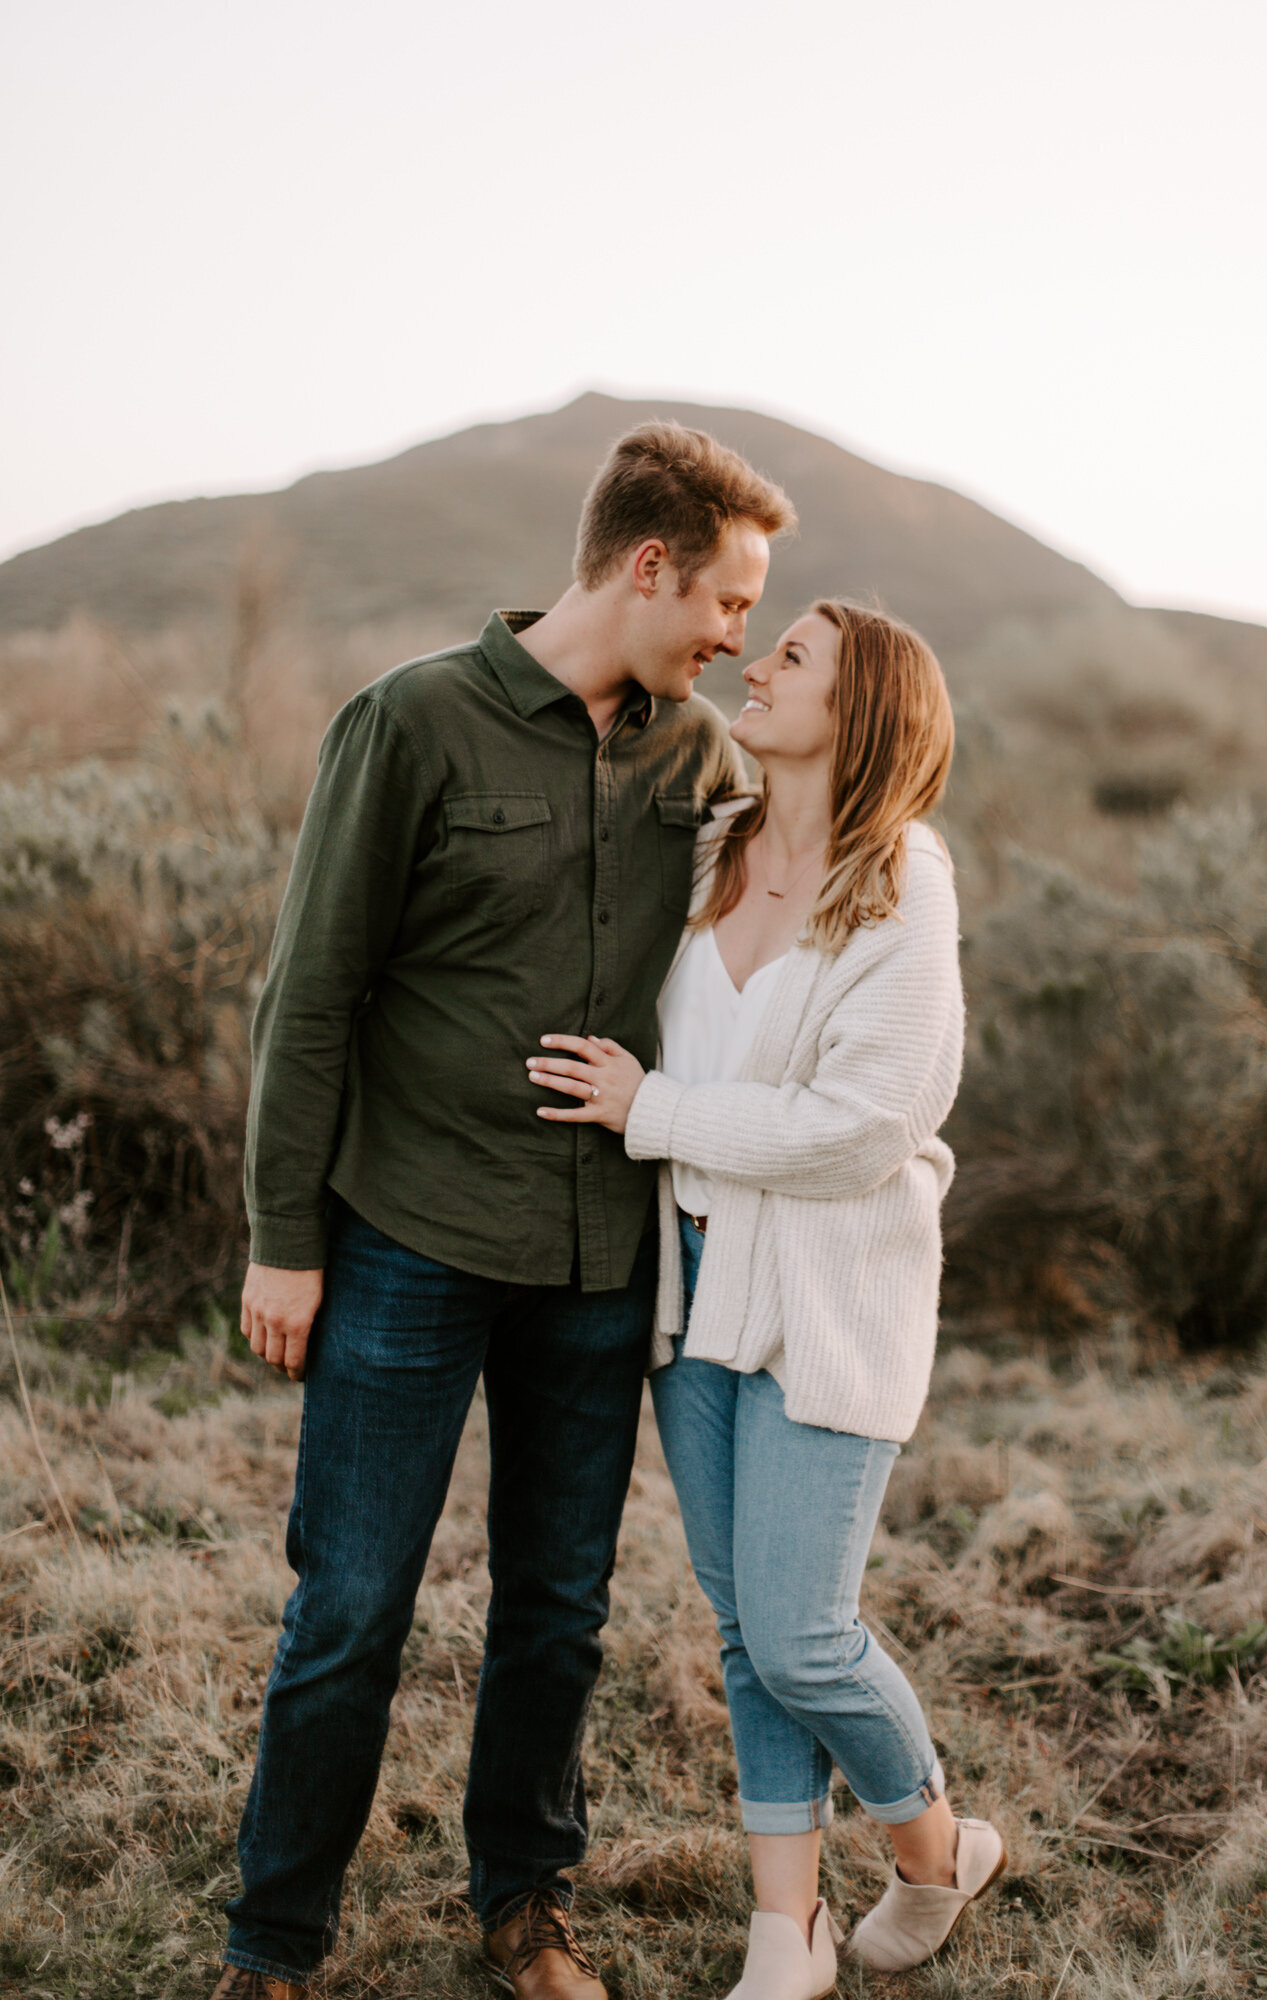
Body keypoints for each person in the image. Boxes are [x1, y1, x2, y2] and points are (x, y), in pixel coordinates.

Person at [210, 422, 796, 2000]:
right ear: (649, 565)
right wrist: (284, 1237)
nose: (736, 641)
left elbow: (804, 895)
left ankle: (524, 1904)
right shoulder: (410, 721)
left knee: (557, 1611)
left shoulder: (704, 761)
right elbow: (310, 994)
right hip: (403, 1234)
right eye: (729, 604)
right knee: (349, 1607)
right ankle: (275, 1942)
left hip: (600, 1258)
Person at [525, 600, 1006, 1999]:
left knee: (803, 1631)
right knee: (743, 1631)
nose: (755, 661)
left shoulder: (903, 877)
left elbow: (860, 1127)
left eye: (791, 655)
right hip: (691, 1289)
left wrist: (650, 1109)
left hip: (830, 1297)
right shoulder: (710, 844)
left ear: (860, 712)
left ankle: (930, 1846)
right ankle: (782, 1929)